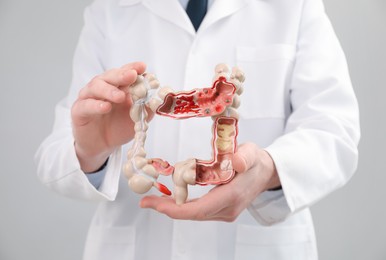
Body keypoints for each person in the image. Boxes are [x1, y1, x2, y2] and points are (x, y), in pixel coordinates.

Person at [35, 0, 360, 259]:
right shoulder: (109, 11)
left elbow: (334, 130)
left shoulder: (296, 6)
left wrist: (268, 170)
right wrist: (93, 150)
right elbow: (53, 157)